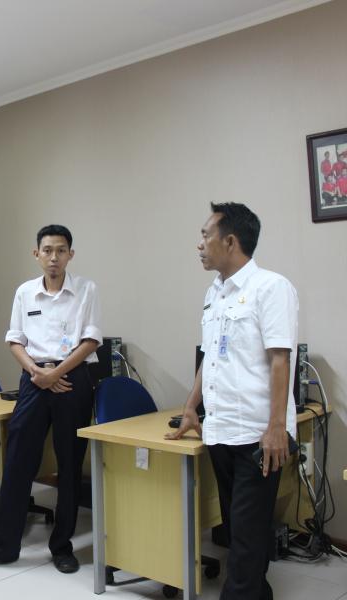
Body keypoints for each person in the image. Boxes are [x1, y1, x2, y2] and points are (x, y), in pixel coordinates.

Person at [166, 203, 298, 600]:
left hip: (258, 435)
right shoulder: (215, 292)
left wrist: (276, 428)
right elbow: (211, 355)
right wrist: (191, 407)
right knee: (239, 531)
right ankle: (258, 591)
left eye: (205, 235)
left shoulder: (271, 287)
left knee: (245, 539)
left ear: (230, 241)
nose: (199, 244)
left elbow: (280, 360)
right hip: (221, 429)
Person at [0, 224, 101, 574]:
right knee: (17, 461)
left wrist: (55, 375)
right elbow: (15, 340)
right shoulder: (25, 292)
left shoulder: (86, 289)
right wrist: (37, 373)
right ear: (36, 254)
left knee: (69, 464)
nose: (53, 257)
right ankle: (2, 548)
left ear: (70, 254)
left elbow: (91, 341)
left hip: (71, 378)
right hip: (33, 378)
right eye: (47, 250)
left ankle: (62, 547)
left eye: (60, 250)